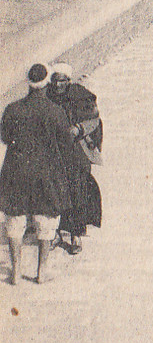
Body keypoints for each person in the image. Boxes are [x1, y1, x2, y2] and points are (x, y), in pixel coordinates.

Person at [2, 64, 85, 284]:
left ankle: (16, 272)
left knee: (15, 220)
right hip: (46, 172)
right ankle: (41, 272)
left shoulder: (12, 109)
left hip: (16, 170)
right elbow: (65, 143)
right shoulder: (55, 111)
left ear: (28, 82)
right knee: (45, 221)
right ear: (47, 82)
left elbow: (4, 136)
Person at [46, 65, 101, 256]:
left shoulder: (81, 95)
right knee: (55, 191)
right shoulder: (47, 96)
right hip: (55, 151)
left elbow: (94, 120)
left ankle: (76, 234)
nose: (58, 84)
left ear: (69, 81)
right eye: (55, 80)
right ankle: (55, 233)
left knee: (77, 190)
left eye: (62, 80)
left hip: (76, 151)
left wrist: (79, 128)